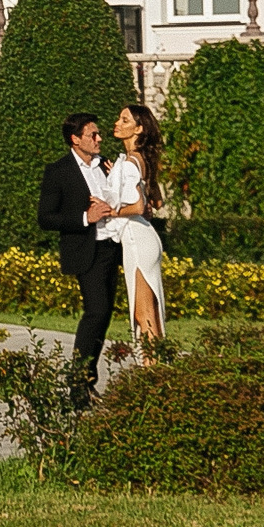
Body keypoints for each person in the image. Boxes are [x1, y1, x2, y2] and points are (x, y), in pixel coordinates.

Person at [37, 109, 122, 407]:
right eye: (93, 135)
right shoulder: (58, 171)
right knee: (95, 313)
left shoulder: (106, 166)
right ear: (75, 139)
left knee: (104, 315)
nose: (100, 139)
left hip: (113, 248)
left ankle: (87, 382)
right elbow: (45, 217)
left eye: (99, 134)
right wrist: (86, 217)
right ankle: (77, 387)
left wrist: (117, 185)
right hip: (87, 251)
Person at [103, 103, 167, 357]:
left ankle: (152, 373)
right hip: (143, 237)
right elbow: (156, 203)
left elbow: (139, 206)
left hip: (137, 241)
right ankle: (158, 365)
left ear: (139, 129)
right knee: (150, 310)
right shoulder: (140, 160)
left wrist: (111, 211)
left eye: (125, 120)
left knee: (143, 313)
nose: (117, 124)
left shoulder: (131, 162)